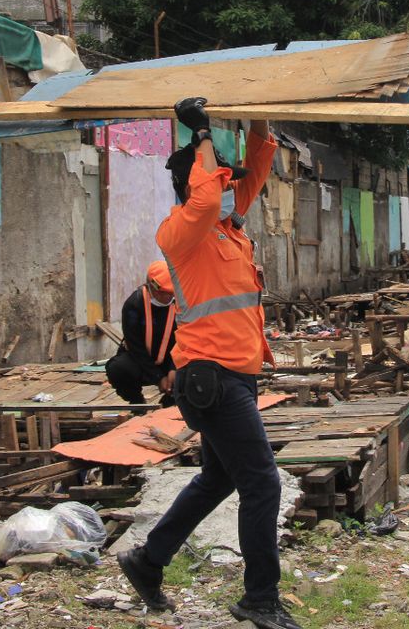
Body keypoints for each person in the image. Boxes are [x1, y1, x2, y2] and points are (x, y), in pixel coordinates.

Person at [119, 98, 300, 629]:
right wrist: (199, 131)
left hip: (236, 377)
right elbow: (203, 198)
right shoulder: (181, 233)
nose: (229, 191)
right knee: (263, 482)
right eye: (221, 183)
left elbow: (256, 173)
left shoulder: (231, 229)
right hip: (210, 379)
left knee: (219, 477)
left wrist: (259, 117)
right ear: (197, 185)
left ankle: (147, 561)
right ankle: (260, 598)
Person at [105, 262, 178, 405]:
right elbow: (135, 348)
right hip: (141, 360)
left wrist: (173, 369)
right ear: (151, 287)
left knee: (195, 369)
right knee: (118, 369)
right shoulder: (134, 305)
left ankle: (170, 402)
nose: (166, 298)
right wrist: (158, 378)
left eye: (171, 294)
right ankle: (137, 403)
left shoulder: (182, 304)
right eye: (162, 293)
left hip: (172, 359)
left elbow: (185, 340)